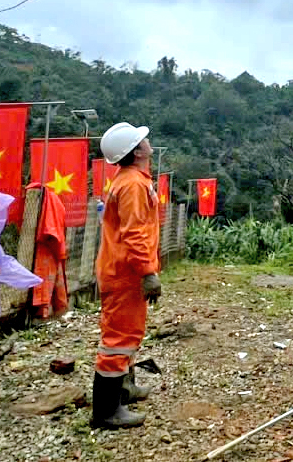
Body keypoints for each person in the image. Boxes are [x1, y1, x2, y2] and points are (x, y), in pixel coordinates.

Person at [91, 121, 162, 429]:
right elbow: (134, 233)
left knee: (129, 333)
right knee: (118, 339)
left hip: (122, 270)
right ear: (136, 152)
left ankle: (123, 390)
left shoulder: (129, 179)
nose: (147, 142)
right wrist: (148, 272)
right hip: (126, 273)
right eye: (141, 140)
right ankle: (106, 411)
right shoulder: (133, 183)